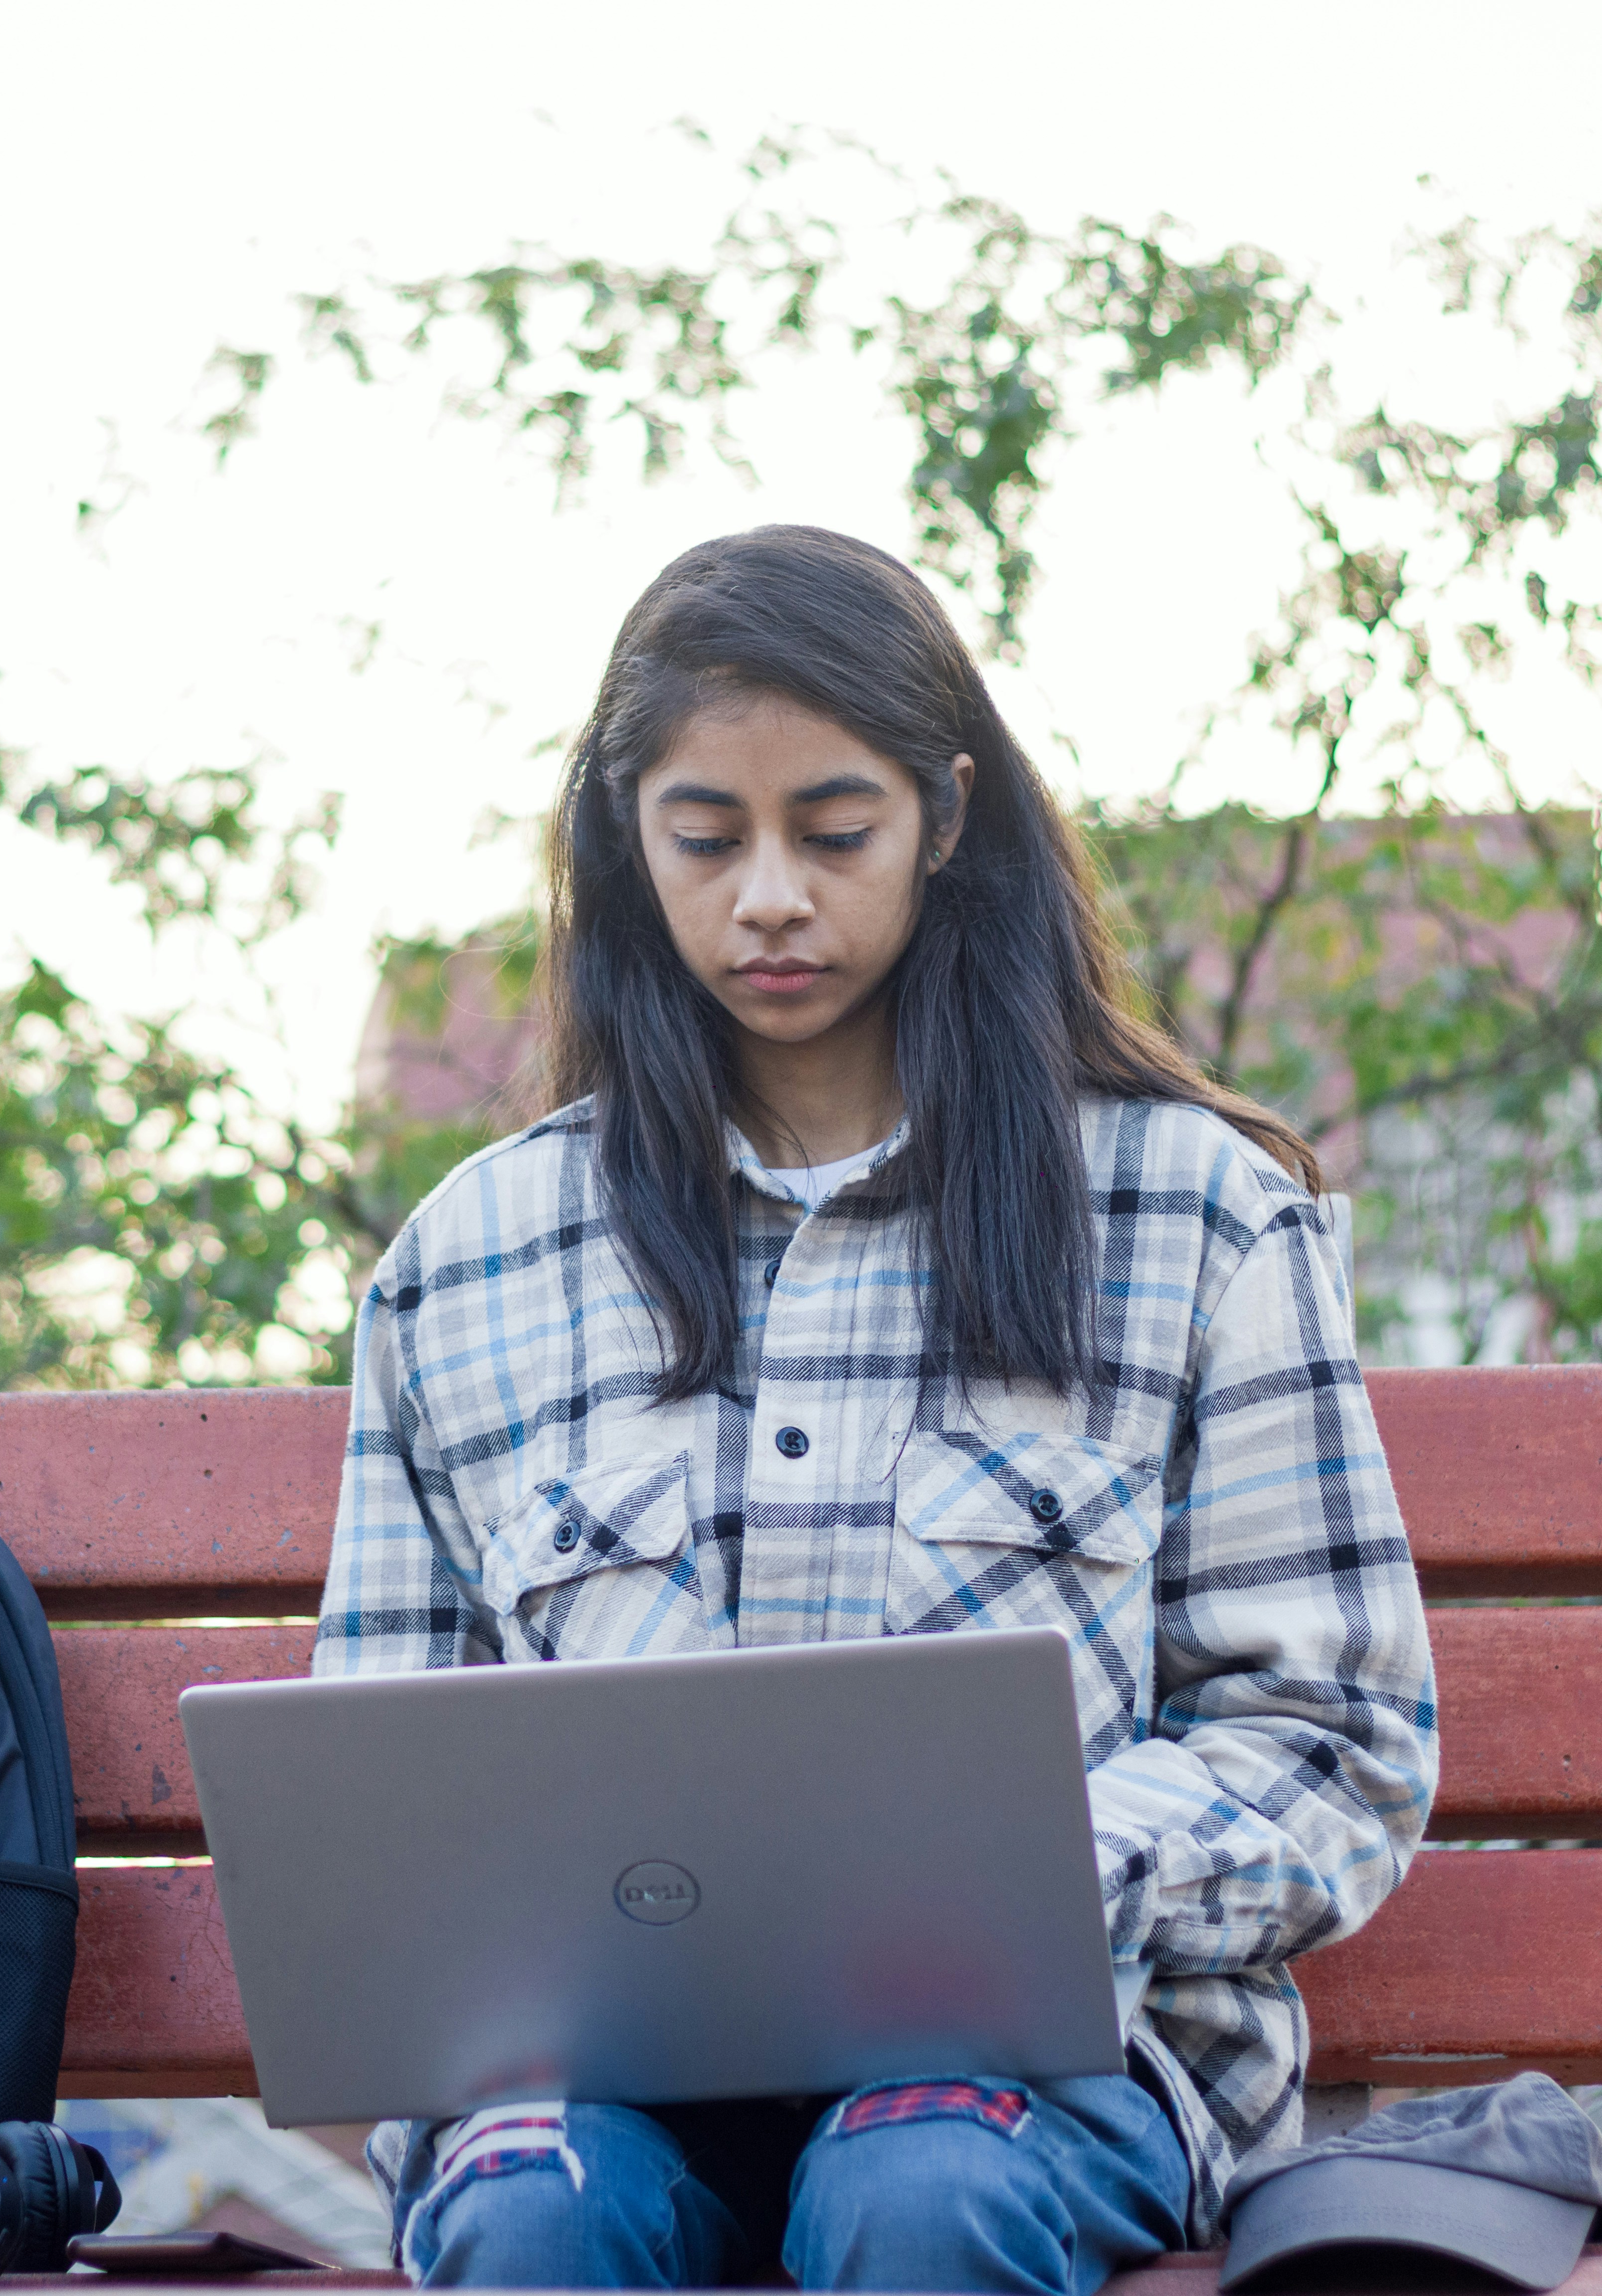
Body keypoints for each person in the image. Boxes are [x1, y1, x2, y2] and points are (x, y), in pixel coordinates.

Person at [312, 526, 1439, 2295]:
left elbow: (1330, 1741)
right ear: (628, 842)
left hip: (1047, 2070)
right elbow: (378, 1798)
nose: (771, 895)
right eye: (706, 838)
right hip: (603, 2090)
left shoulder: (1194, 1215)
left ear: (945, 816)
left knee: (917, 2182)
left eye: (832, 833)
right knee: (526, 2204)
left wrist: (1039, 1869)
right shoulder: (470, 1263)